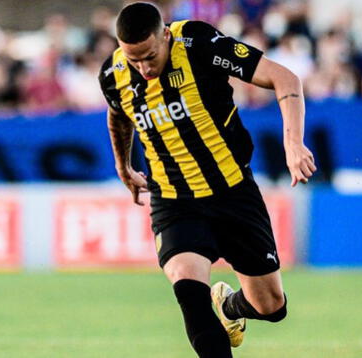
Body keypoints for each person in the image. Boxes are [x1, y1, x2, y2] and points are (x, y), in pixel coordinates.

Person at [98, 3, 315, 357]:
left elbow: (285, 78)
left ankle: (230, 307)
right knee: (190, 296)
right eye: (133, 59)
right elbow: (118, 115)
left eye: (150, 56)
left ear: (165, 35)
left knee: (272, 306)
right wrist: (123, 166)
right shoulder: (113, 73)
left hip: (233, 192)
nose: (144, 67)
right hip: (174, 201)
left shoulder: (200, 43)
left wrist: (293, 144)